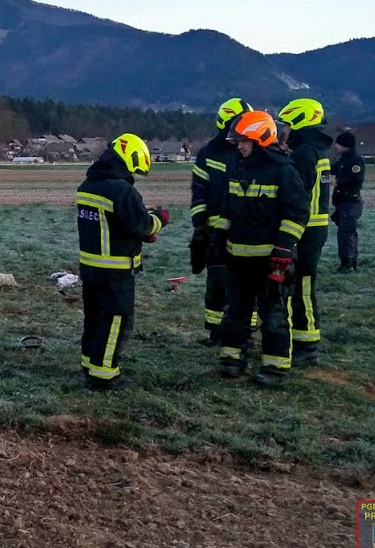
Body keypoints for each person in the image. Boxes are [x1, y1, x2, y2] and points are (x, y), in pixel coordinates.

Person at [213, 111, 309, 387]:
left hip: (270, 260)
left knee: (274, 313)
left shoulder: (283, 171)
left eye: (244, 141)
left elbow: (297, 214)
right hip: (238, 258)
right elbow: (228, 208)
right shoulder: (239, 168)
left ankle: (275, 367)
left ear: (261, 140)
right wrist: (217, 238)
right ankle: (231, 359)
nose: (239, 146)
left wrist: (283, 251)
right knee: (236, 311)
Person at [76, 133, 169, 391]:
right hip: (116, 271)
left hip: (90, 268)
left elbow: (111, 224)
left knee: (93, 319)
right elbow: (144, 225)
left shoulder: (88, 185)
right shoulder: (122, 191)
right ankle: (105, 375)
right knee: (116, 319)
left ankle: (89, 365)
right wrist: (161, 217)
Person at [189, 98, 251, 344]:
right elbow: (199, 190)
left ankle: (247, 333)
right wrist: (199, 225)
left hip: (246, 229)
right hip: (215, 232)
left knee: (246, 284)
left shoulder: (251, 150)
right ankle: (215, 332)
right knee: (216, 283)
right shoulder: (209, 153)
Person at [277, 98, 334, 365]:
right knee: (303, 286)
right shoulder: (317, 150)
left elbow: (296, 195)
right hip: (314, 229)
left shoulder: (304, 154)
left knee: (302, 287)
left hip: (304, 231)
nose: (285, 130)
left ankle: (307, 345)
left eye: (288, 124)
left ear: (299, 121)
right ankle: (304, 340)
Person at [331, 131, 366, 272]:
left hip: (350, 202)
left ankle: (347, 263)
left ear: (345, 145)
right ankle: (352, 261)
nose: (336, 146)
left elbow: (357, 178)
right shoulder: (344, 159)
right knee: (348, 232)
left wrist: (338, 183)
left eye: (338, 144)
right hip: (343, 202)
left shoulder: (355, 160)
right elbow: (333, 169)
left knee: (346, 234)